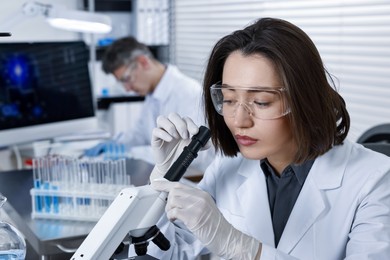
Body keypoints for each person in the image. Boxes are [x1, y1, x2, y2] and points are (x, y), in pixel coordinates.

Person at [138, 17, 390, 259]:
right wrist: (162, 183)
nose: (239, 120)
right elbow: (166, 253)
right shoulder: (227, 168)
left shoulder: (375, 180)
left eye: (261, 102)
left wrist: (242, 248)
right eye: (228, 99)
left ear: (304, 99)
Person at [84, 36, 213, 172]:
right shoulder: (152, 93)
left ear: (143, 62)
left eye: (127, 79)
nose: (127, 89)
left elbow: (193, 153)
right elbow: (140, 134)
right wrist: (117, 144)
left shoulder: (188, 93)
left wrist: (131, 152)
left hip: (195, 179)